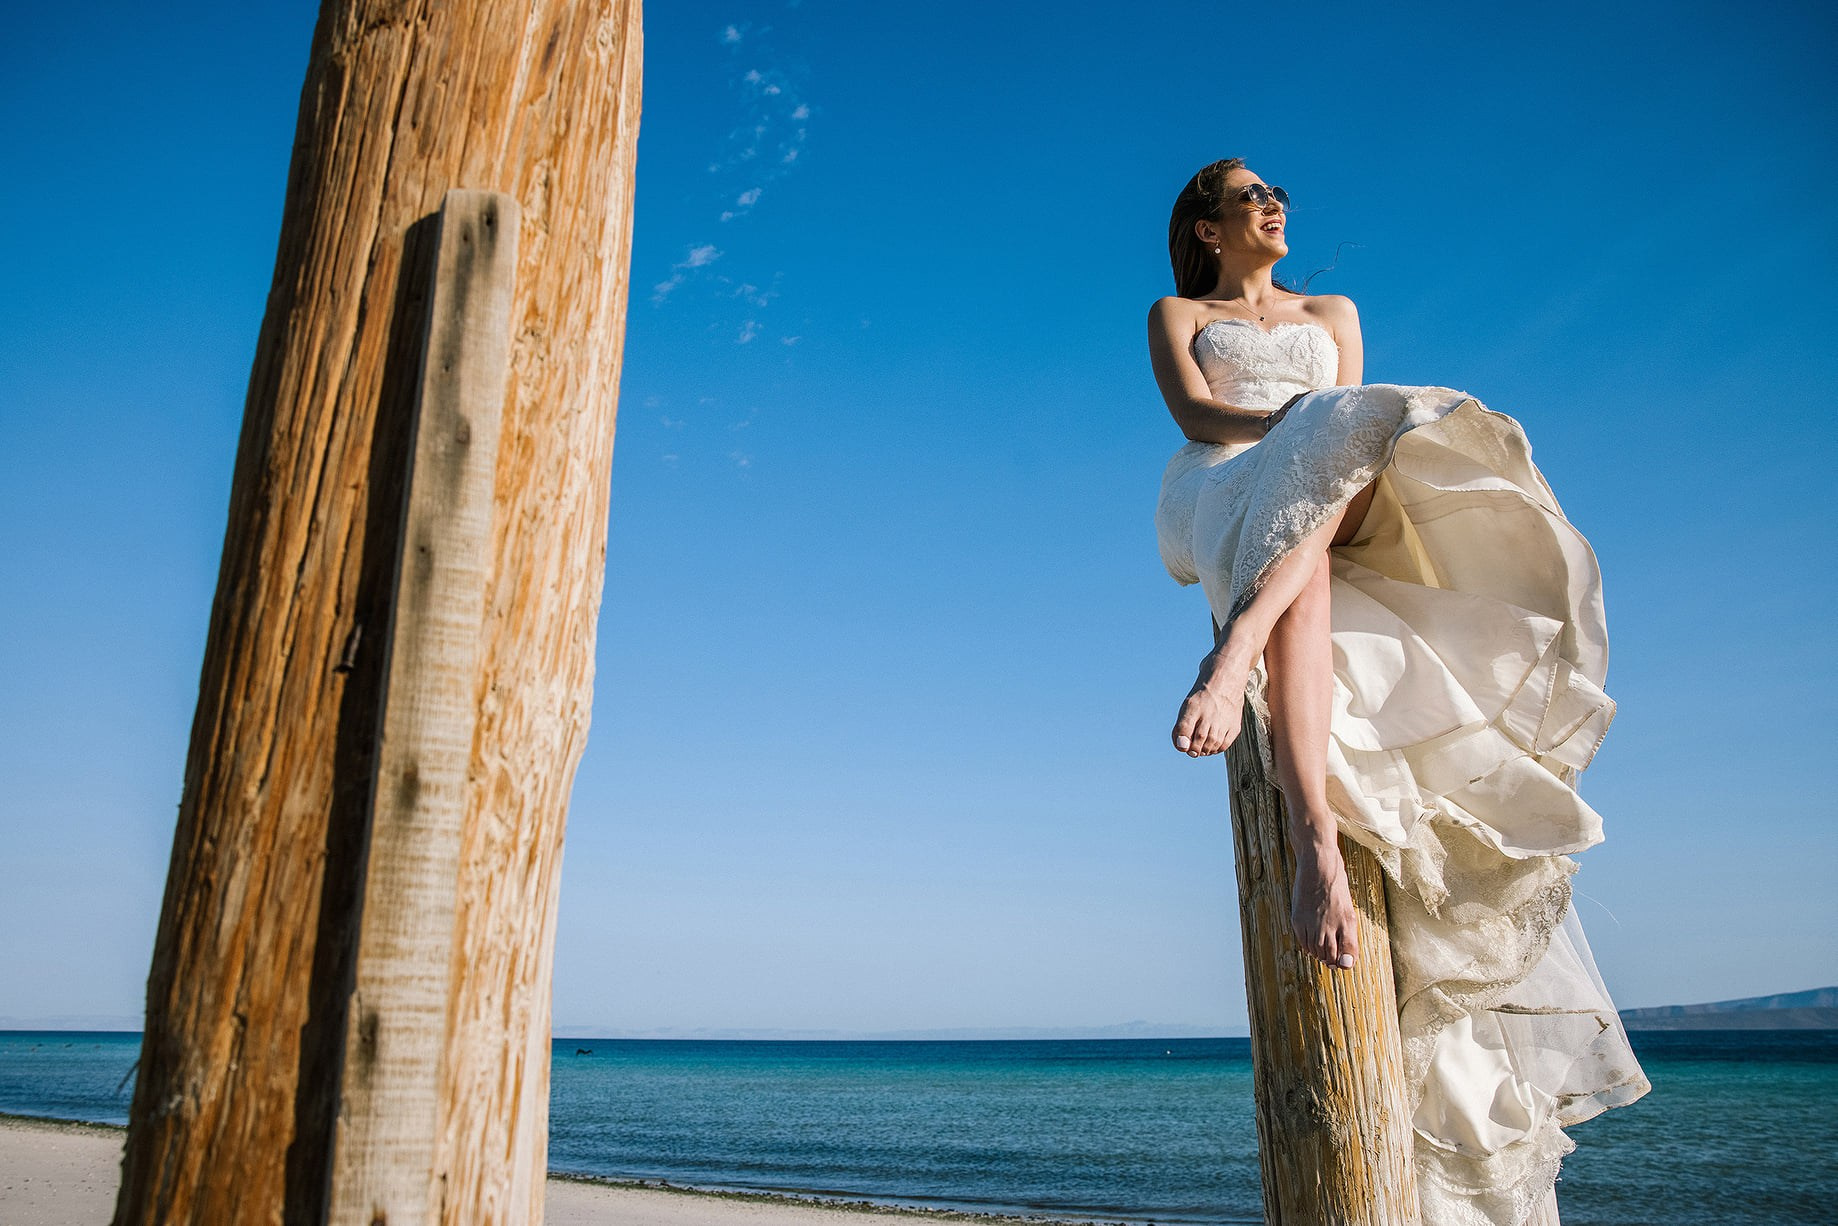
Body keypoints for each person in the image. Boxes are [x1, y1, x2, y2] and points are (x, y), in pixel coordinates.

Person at [1148, 158, 1650, 1226]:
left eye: (1277, 193)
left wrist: (1314, 438)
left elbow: (1351, 430)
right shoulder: (1179, 313)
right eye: (1249, 195)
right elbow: (1196, 413)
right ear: (1207, 224)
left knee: (1350, 447)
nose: (1273, 204)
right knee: (1314, 520)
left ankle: (1235, 654)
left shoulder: (1331, 310)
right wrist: (1299, 433)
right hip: (1218, 483)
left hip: (1321, 487)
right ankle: (1312, 837)